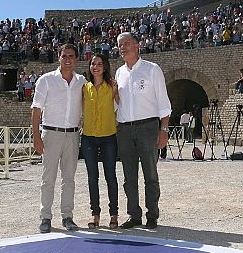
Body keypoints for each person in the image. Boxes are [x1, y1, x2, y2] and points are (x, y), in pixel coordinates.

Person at [114, 32, 171, 229]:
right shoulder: (119, 73)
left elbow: (164, 103)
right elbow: (119, 103)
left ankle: (152, 215)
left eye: (127, 43)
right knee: (129, 176)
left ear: (138, 45)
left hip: (148, 127)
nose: (123, 47)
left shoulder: (152, 70)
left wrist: (163, 129)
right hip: (125, 130)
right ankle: (134, 215)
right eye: (120, 45)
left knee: (150, 174)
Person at [31, 44, 85, 233]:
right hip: (51, 134)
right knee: (48, 178)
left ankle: (67, 216)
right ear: (58, 58)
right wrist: (36, 136)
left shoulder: (81, 82)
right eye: (64, 56)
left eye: (71, 56)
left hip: (72, 134)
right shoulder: (46, 80)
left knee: (69, 178)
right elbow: (36, 111)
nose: (68, 59)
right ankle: (45, 217)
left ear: (76, 59)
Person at [81, 53, 119, 229]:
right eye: (93, 64)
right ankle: (95, 214)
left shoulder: (112, 86)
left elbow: (121, 105)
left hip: (108, 137)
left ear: (105, 67)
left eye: (99, 64)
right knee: (92, 177)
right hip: (89, 137)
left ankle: (114, 214)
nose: (95, 67)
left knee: (110, 176)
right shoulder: (84, 88)